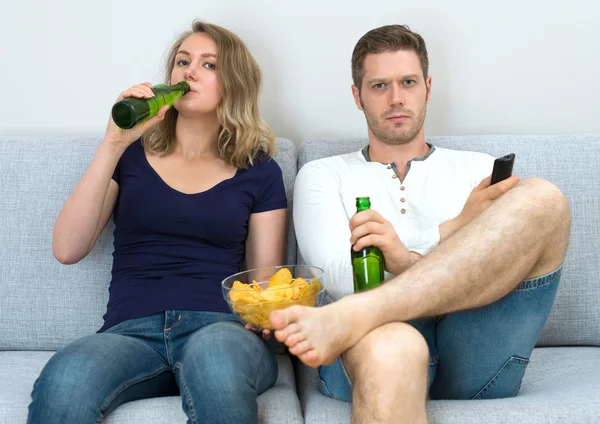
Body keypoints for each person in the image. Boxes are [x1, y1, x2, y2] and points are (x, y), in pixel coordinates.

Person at [271, 24, 570, 424]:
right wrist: (455, 228)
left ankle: (357, 315)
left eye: (408, 82)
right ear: (357, 96)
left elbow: (500, 272)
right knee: (393, 344)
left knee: (544, 198)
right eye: (379, 86)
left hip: (477, 345)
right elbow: (340, 279)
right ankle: (364, 317)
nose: (396, 98)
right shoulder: (324, 174)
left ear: (428, 87)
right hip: (378, 344)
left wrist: (403, 259)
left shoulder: (477, 169)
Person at [27, 20, 287, 424]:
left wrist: (265, 322)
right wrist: (115, 141)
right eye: (183, 61)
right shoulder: (130, 157)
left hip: (219, 331)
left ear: (234, 82)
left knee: (215, 361)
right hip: (130, 334)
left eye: (209, 65)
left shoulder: (260, 170)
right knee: (67, 377)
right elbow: (66, 248)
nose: (189, 71)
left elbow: (265, 282)